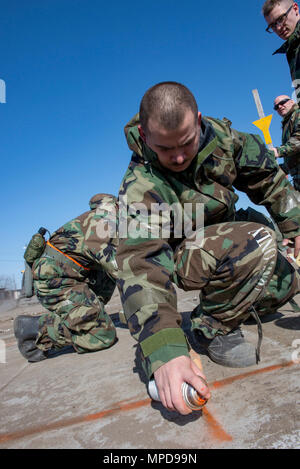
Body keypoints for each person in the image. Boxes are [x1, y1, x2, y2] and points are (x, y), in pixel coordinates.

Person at [116, 81, 300, 415]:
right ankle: (211, 327)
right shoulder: (142, 184)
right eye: (165, 149)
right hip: (185, 255)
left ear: (198, 121)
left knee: (287, 281)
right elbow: (140, 265)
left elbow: (268, 179)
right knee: (256, 241)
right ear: (145, 137)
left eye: (186, 143)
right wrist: (165, 349)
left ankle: (232, 298)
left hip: (229, 240)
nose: (179, 156)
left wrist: (296, 224)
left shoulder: (225, 140)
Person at [14, 193, 119, 362]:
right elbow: (123, 271)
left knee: (107, 275)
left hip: (70, 276)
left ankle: (88, 315)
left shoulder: (102, 219)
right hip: (54, 281)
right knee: (102, 335)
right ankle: (33, 329)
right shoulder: (101, 224)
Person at [263, 0, 300, 102]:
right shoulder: (292, 49)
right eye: (273, 25)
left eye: (281, 19)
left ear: (295, 9)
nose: (278, 27)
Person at [273, 94, 300, 190]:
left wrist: (278, 151)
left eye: (282, 102)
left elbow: (298, 140)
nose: (279, 107)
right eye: (276, 107)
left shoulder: (298, 114)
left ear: (292, 102)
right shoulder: (288, 122)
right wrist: (283, 169)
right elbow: (294, 156)